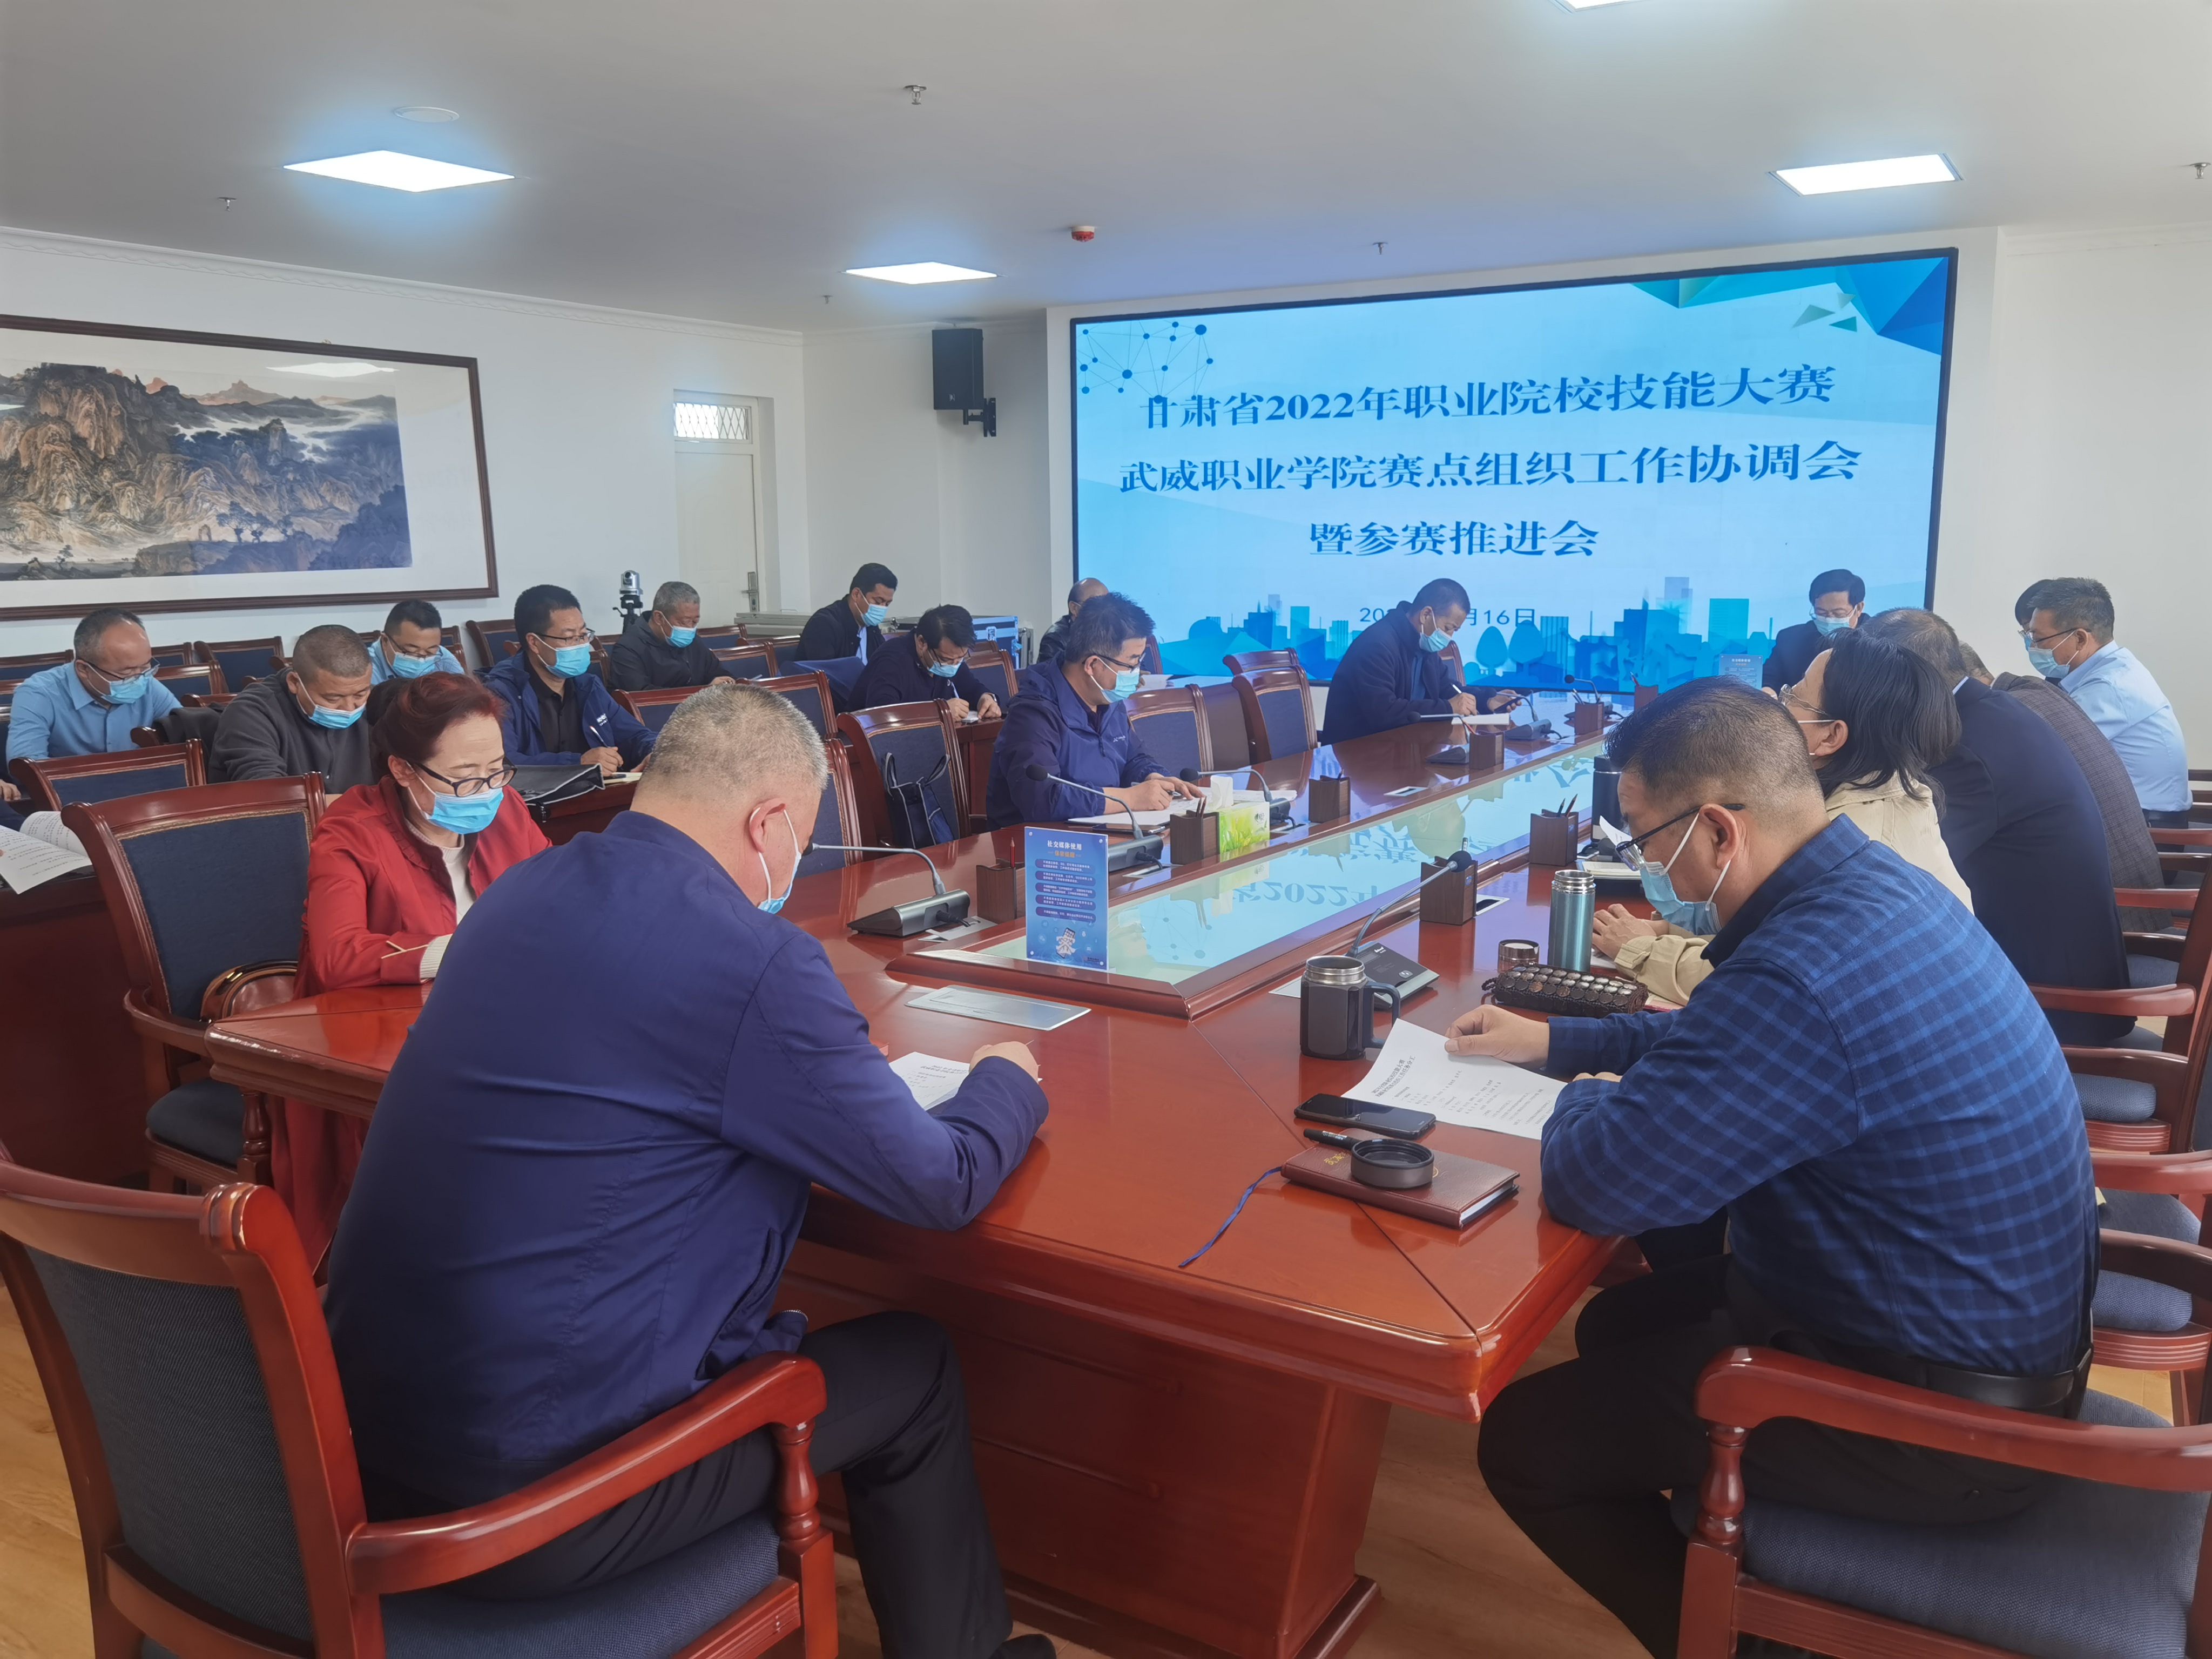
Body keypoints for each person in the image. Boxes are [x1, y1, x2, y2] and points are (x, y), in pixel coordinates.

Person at [325, 682, 1051, 1659]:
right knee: (913, 1367)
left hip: (360, 1449)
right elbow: (941, 1184)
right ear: (770, 823)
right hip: (535, 1507)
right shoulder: (752, 958)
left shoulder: (516, 898)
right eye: (804, 837)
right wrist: (1004, 1080)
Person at [1454, 677, 2096, 1659]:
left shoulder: (1805, 971)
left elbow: (1599, 1182)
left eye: (1646, 841)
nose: (1644, 868)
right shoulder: (1865, 889)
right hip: (1958, 1326)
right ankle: (1731, 1554)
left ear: (1717, 830)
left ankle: (1734, 1645)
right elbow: (1724, 1037)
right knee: (1619, 1322)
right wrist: (1555, 1040)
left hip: (1942, 1427)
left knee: (1527, 1443)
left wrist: (1582, 1089)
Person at [278, 672, 548, 1267]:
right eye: (465, 777)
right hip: (381, 1048)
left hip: (499, 1026)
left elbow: (554, 903)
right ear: (403, 770)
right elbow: (336, 956)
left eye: (497, 770)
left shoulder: (505, 808)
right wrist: (457, 950)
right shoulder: (351, 831)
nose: (487, 790)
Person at [1595, 632, 1971, 1003]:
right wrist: (1665, 928)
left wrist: (1641, 950)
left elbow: (1751, 979)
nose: (1778, 702)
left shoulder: (1853, 844)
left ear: (1831, 736)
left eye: (1795, 696)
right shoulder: (1881, 797)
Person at [1861, 608, 2130, 1046]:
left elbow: (1897, 865)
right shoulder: (1990, 711)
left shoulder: (1966, 749)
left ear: (1897, 683)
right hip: (2052, 973)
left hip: (2048, 1010)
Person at [1960, 639, 2168, 934]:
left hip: (2115, 917)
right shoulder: (2039, 692)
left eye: (2036, 637)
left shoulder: (2006, 715)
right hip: (2135, 887)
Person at [986, 591, 1206, 827]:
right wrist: (1130, 798)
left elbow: (1133, 758)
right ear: (1093, 665)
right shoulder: (1033, 714)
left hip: (1102, 831)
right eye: (1131, 664)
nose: (1137, 673)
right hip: (1034, 842)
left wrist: (1155, 777)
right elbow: (1043, 799)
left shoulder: (1107, 698)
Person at [2015, 577, 2189, 828]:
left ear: (2080, 639)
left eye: (2038, 638)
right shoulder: (2109, 671)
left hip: (2148, 831)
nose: (2033, 647)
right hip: (2131, 818)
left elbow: (2038, 747)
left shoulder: (2110, 686)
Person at [1314, 577, 1520, 747]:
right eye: (1448, 628)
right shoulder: (1377, 645)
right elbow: (1384, 712)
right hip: (1358, 753)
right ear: (1426, 615)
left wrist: (1488, 701)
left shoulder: (1423, 644)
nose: (1449, 636)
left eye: (1454, 631)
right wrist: (1448, 708)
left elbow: (1448, 690)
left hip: (1404, 746)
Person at [483, 583, 653, 773]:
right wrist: (577, 763)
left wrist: (654, 752)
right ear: (534, 643)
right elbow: (504, 763)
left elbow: (635, 736)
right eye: (569, 638)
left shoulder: (589, 686)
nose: (581, 645)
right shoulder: (501, 694)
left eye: (583, 635)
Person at [208, 624, 378, 796]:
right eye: (333, 699)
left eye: (360, 695)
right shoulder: (251, 713)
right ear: (295, 683)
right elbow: (269, 795)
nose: (349, 708)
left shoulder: (379, 703)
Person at [4, 608, 181, 764]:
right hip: (69, 789)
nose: (139, 679)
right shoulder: (39, 693)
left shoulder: (147, 684)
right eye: (126, 673)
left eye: (145, 667)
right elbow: (26, 766)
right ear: (84, 669)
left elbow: (185, 733)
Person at [854, 603, 1004, 720]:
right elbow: (882, 714)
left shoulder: (950, 655)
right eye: (946, 660)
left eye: (960, 659)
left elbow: (970, 686)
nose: (954, 665)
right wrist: (940, 711)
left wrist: (985, 698)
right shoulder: (892, 661)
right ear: (922, 643)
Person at [606, 579, 738, 692]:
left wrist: (726, 682)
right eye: (684, 622)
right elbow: (641, 697)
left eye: (695, 622)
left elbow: (717, 673)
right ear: (659, 618)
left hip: (701, 709)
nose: (690, 628)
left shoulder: (693, 641)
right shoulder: (628, 648)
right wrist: (703, 692)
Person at [1761, 567, 1865, 691]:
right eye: (1821, 612)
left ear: (1858, 609)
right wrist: (1768, 691)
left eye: (1838, 614)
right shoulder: (1791, 639)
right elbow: (1770, 677)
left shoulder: (1878, 641)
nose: (1829, 620)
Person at [796, 562, 898, 662]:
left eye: (887, 604)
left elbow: (882, 662)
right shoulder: (823, 624)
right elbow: (828, 671)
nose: (882, 608)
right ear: (856, 594)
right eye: (878, 601)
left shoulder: (871, 625)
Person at [367, 599, 466, 683]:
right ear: (385, 641)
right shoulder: (366, 670)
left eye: (430, 652)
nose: (421, 661)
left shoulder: (442, 656)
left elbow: (464, 694)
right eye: (411, 652)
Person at [1035, 577, 1108, 665]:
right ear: (1074, 608)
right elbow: (1050, 673)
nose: (1105, 610)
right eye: (1096, 604)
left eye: (1108, 603)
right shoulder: (1055, 639)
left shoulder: (1109, 630)